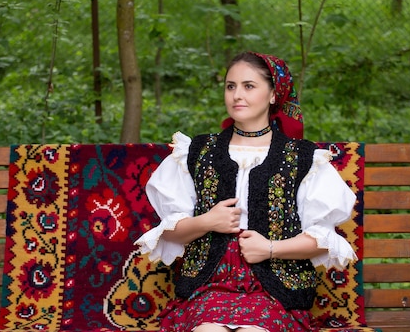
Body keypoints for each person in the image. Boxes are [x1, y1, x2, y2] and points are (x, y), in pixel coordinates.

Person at [135, 51, 357, 332]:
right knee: (208, 331)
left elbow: (322, 240)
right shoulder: (196, 152)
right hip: (209, 287)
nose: (237, 95)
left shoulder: (303, 159)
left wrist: (270, 248)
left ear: (274, 94)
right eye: (231, 86)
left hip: (275, 291)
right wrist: (208, 221)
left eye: (249, 86)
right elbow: (169, 232)